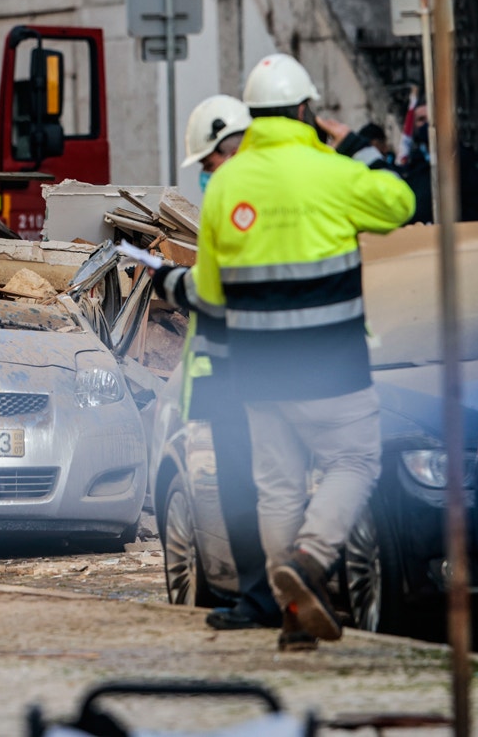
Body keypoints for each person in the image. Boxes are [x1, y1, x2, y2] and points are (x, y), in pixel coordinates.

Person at [156, 54, 414, 651]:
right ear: (305, 111)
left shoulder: (226, 186)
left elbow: (212, 294)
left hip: (257, 372)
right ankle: (310, 557)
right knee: (354, 461)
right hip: (331, 364)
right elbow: (401, 204)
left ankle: (294, 615)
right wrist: (352, 150)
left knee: (277, 488)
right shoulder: (331, 172)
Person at [170, 96, 281, 632]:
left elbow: (217, 291)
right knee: (259, 488)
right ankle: (269, 596)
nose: (207, 174)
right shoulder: (274, 189)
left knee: (251, 489)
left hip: (243, 370)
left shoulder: (239, 197)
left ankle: (264, 598)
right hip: (246, 368)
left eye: (208, 162)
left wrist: (175, 285)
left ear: (227, 147)